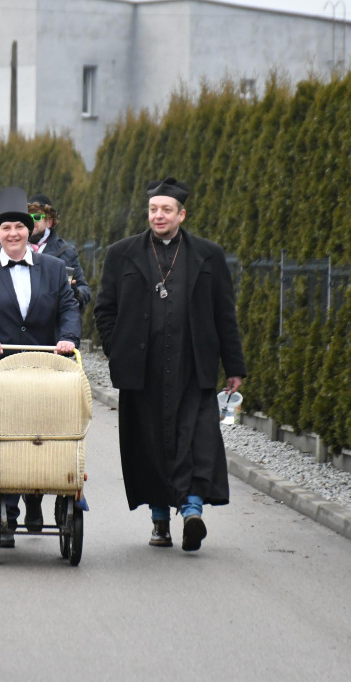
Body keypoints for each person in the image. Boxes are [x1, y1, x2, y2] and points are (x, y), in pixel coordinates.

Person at [93, 177, 247, 551]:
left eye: (166, 210)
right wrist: (117, 349)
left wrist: (234, 366)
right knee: (149, 444)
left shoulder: (208, 255)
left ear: (182, 214)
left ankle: (192, 511)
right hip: (140, 370)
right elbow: (105, 309)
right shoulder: (122, 254)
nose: (158, 216)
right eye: (153, 209)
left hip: (191, 366)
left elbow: (224, 313)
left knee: (193, 439)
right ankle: (160, 519)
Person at [0, 186, 81, 548]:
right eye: (6, 228)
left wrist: (68, 338)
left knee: (44, 437)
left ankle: (37, 502)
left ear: (30, 231)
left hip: (46, 369)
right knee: (7, 440)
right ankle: (7, 511)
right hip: (1, 371)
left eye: (20, 227)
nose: (13, 233)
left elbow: (69, 309)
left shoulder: (55, 269)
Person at [27, 193, 92, 311]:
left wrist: (75, 293)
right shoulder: (11, 249)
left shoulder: (66, 252)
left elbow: (85, 290)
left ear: (49, 222)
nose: (31, 222)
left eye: (36, 217)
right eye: (27, 218)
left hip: (53, 325)